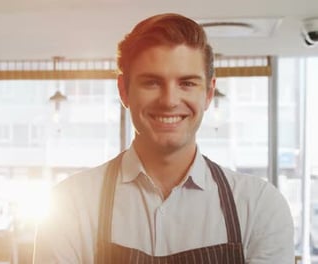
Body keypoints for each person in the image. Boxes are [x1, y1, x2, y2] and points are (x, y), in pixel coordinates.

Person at [33, 13, 294, 263]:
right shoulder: (69, 205)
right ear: (124, 91)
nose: (169, 101)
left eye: (187, 83)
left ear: (209, 93)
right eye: (152, 83)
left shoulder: (258, 205)